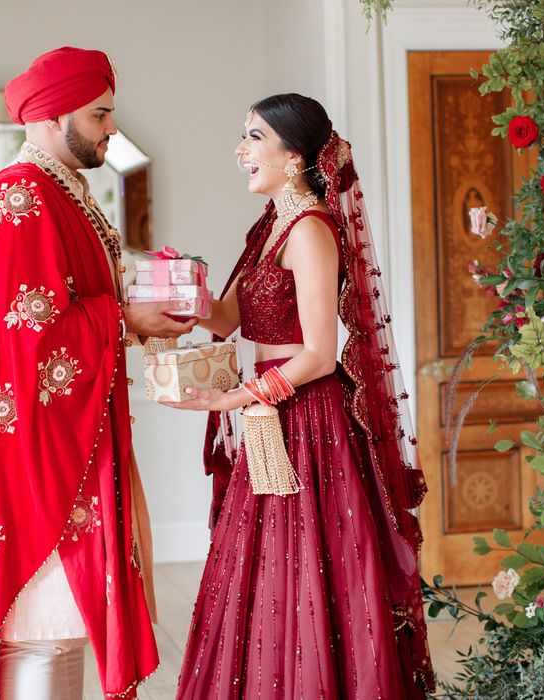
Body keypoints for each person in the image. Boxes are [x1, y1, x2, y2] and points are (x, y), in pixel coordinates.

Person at [0, 47, 196, 700]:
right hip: (40, 457)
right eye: (101, 114)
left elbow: (70, 309)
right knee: (46, 626)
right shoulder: (20, 193)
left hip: (70, 443)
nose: (112, 128)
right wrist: (127, 315)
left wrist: (139, 316)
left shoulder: (63, 191)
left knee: (62, 629)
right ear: (56, 116)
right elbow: (34, 337)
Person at [165, 94, 435, 698]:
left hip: (307, 421)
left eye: (254, 137)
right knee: (262, 565)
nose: (241, 150)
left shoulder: (311, 230)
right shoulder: (270, 226)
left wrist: (233, 400)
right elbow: (229, 317)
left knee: (310, 563)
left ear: (294, 156)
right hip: (271, 411)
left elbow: (317, 352)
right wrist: (179, 286)